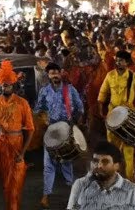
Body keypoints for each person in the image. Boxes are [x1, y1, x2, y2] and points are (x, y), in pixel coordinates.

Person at [0, 60, 34, 210]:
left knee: (15, 187)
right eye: (4, 84)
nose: (6, 87)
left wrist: (23, 153)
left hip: (16, 145)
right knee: (4, 185)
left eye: (9, 84)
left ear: (13, 85)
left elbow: (30, 129)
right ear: (0, 85)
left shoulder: (23, 103)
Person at [35, 62, 85, 207]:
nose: (55, 75)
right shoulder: (44, 91)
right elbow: (38, 109)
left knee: (66, 162)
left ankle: (72, 194)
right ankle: (46, 195)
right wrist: (42, 118)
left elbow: (80, 108)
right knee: (48, 164)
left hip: (67, 129)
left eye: (57, 72)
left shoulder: (69, 89)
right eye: (52, 73)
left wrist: (76, 125)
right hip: (51, 130)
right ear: (48, 76)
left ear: (61, 73)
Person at [98, 50, 135, 172]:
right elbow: (102, 94)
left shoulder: (134, 78)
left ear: (127, 63)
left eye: (120, 61)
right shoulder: (110, 75)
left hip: (128, 115)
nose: (117, 62)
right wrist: (101, 111)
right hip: (112, 114)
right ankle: (113, 175)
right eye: (117, 60)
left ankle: (130, 179)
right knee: (112, 148)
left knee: (128, 150)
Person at [67, 141, 135, 210]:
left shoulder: (131, 189)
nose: (99, 166)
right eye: (95, 161)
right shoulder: (80, 184)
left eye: (105, 162)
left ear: (117, 166)